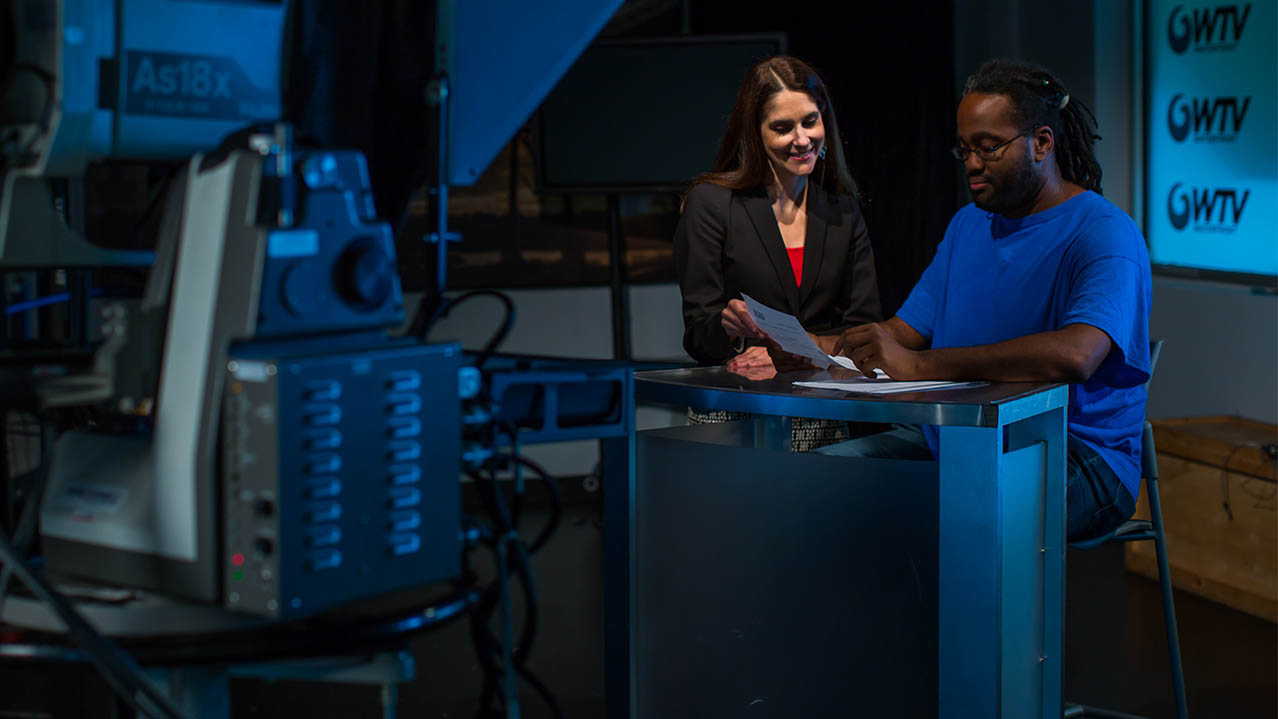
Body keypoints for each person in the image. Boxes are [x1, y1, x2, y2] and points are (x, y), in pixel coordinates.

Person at [817, 59, 1152, 541]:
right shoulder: (968, 225)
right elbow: (902, 332)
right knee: (821, 484)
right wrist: (810, 345)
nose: (973, 163)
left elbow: (1076, 354)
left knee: (952, 516)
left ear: (1041, 143)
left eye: (989, 148)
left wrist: (919, 366)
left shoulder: (1103, 233)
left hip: (1074, 453)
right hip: (962, 440)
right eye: (965, 149)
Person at [673, 55, 882, 451]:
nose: (802, 139)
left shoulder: (842, 208)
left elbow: (863, 327)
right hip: (737, 413)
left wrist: (793, 355)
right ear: (755, 133)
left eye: (810, 121)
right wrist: (731, 329)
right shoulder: (711, 203)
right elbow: (698, 333)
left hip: (824, 416)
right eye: (783, 128)